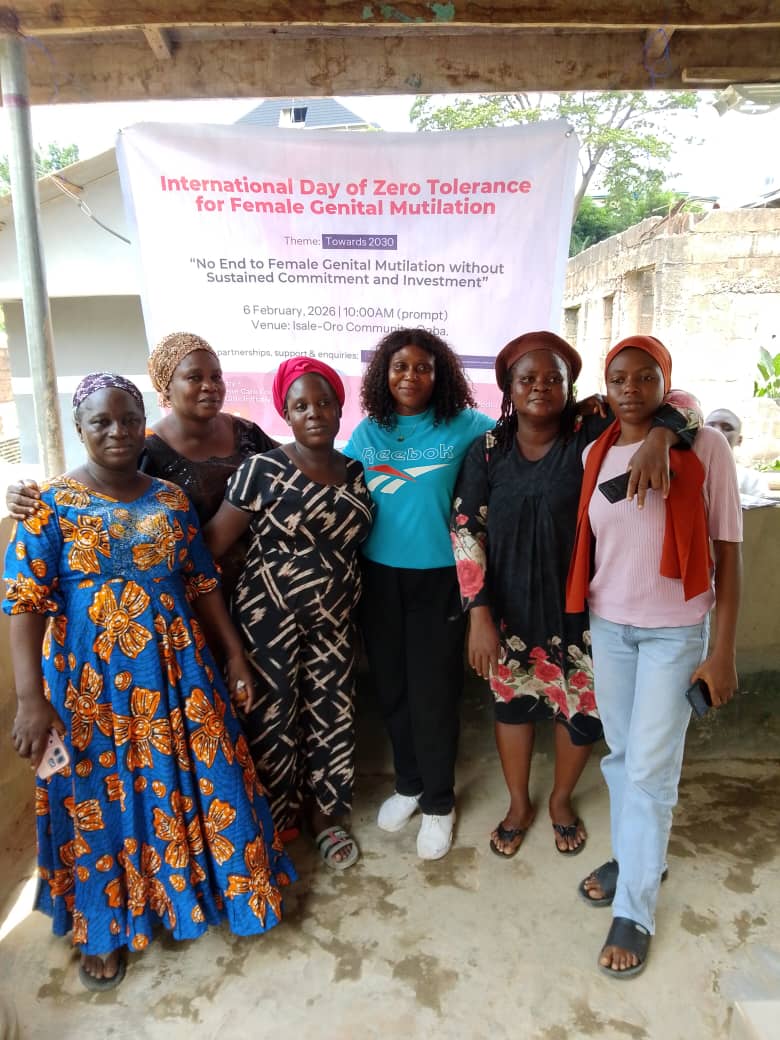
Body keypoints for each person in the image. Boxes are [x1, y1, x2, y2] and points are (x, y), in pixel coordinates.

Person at [4, 373, 295, 991]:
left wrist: (235, 658)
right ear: (78, 429)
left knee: (202, 779)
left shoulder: (168, 500)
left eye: (128, 420)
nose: (117, 432)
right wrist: (31, 700)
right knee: (96, 799)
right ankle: (103, 928)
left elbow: (202, 582)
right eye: (100, 422)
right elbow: (25, 603)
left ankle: (216, 897)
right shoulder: (48, 506)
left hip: (179, 673)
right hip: (89, 690)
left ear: (145, 423)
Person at [451, 331, 697, 859]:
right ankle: (519, 804)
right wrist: (479, 614)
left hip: (583, 606)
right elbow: (467, 530)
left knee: (581, 710)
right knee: (512, 703)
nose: (540, 387)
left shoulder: (592, 427)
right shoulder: (488, 451)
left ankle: (561, 800)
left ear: (570, 386)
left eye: (553, 378)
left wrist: (660, 438)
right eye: (527, 379)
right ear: (508, 389)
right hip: (508, 608)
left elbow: (682, 403)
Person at [567, 335, 742, 978]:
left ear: (665, 383)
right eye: (619, 378)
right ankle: (639, 853)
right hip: (610, 626)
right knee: (621, 754)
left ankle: (636, 907)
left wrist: (721, 652)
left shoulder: (705, 447)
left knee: (649, 767)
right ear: (607, 388)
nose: (632, 388)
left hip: (676, 633)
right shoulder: (595, 453)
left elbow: (728, 556)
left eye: (646, 377)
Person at [204, 358, 373, 870]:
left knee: (332, 712)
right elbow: (211, 545)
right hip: (267, 619)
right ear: (285, 413)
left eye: (324, 402)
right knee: (272, 716)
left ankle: (327, 815)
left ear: (341, 409)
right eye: (301, 405)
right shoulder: (262, 470)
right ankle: (277, 817)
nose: (314, 412)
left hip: (336, 620)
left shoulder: (356, 471)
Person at [344, 328, 495, 861]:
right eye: (400, 367)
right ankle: (408, 783)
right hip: (379, 578)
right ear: (384, 374)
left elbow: (521, 445)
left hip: (441, 580)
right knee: (393, 688)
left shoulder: (468, 426)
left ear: (441, 374)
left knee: (434, 693)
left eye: (423, 367)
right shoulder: (368, 433)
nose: (411, 376)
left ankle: (438, 801)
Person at [6, 332, 276, 599]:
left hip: (263, 581)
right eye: (195, 377)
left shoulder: (247, 433)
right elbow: (92, 489)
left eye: (216, 376)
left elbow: (294, 466)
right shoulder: (140, 447)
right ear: (166, 386)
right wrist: (25, 494)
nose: (210, 385)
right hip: (190, 595)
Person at [704, 408, 770, 503]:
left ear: (739, 440)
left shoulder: (752, 481)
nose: (717, 432)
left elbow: (759, 515)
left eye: (727, 428)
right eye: (710, 427)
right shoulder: (686, 473)